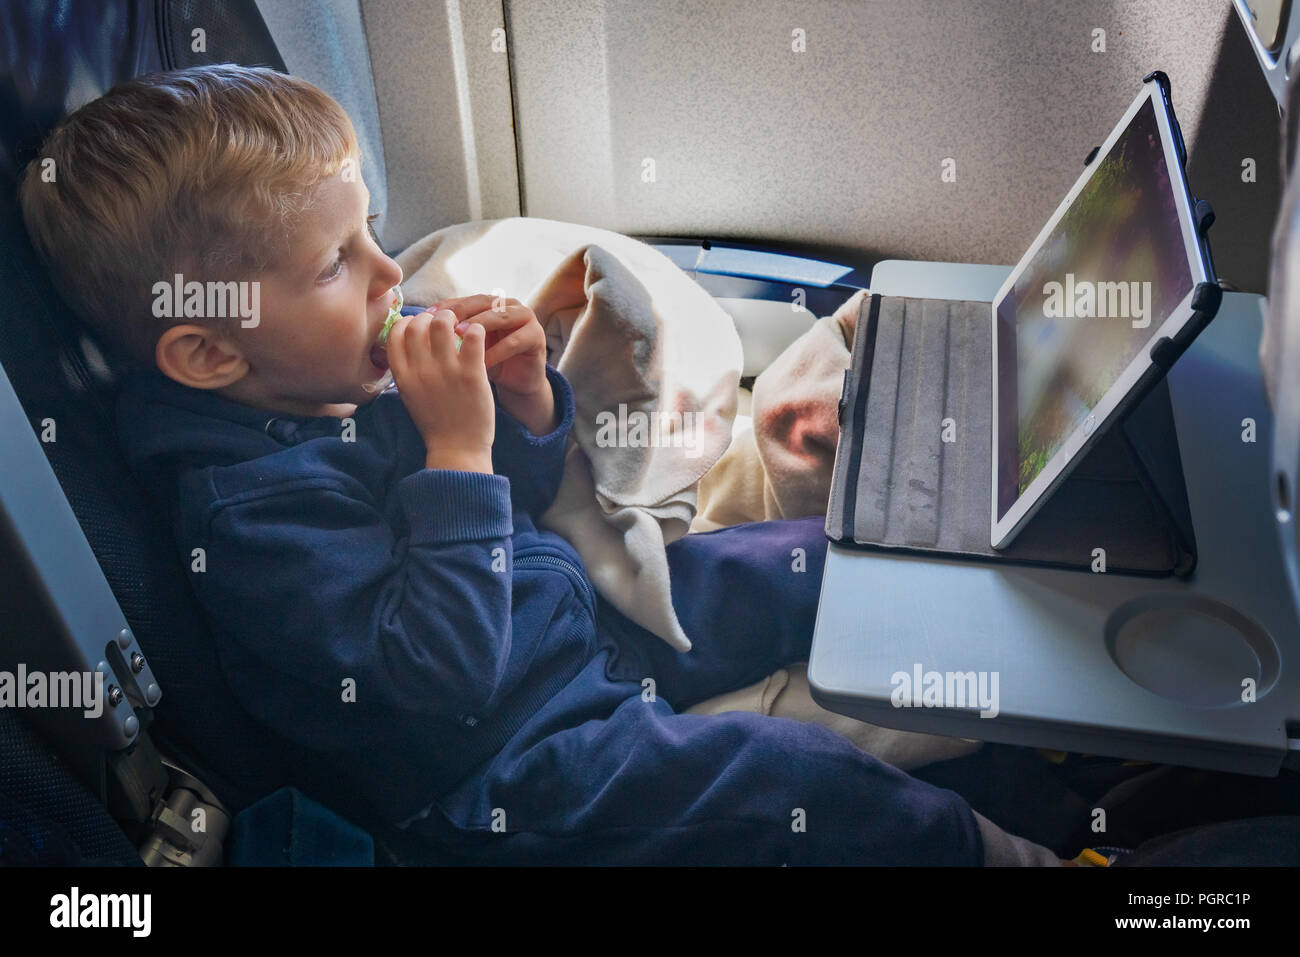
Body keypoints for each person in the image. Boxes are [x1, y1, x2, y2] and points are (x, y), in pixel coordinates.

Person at [19, 63, 1061, 865]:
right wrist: (457, 448)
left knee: (796, 559)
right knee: (781, 777)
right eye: (338, 264)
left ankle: (1044, 653)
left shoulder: (317, 381)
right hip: (502, 771)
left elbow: (508, 510)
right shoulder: (246, 522)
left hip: (559, 628)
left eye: (372, 231)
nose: (390, 275)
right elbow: (439, 675)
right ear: (207, 349)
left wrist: (521, 407)